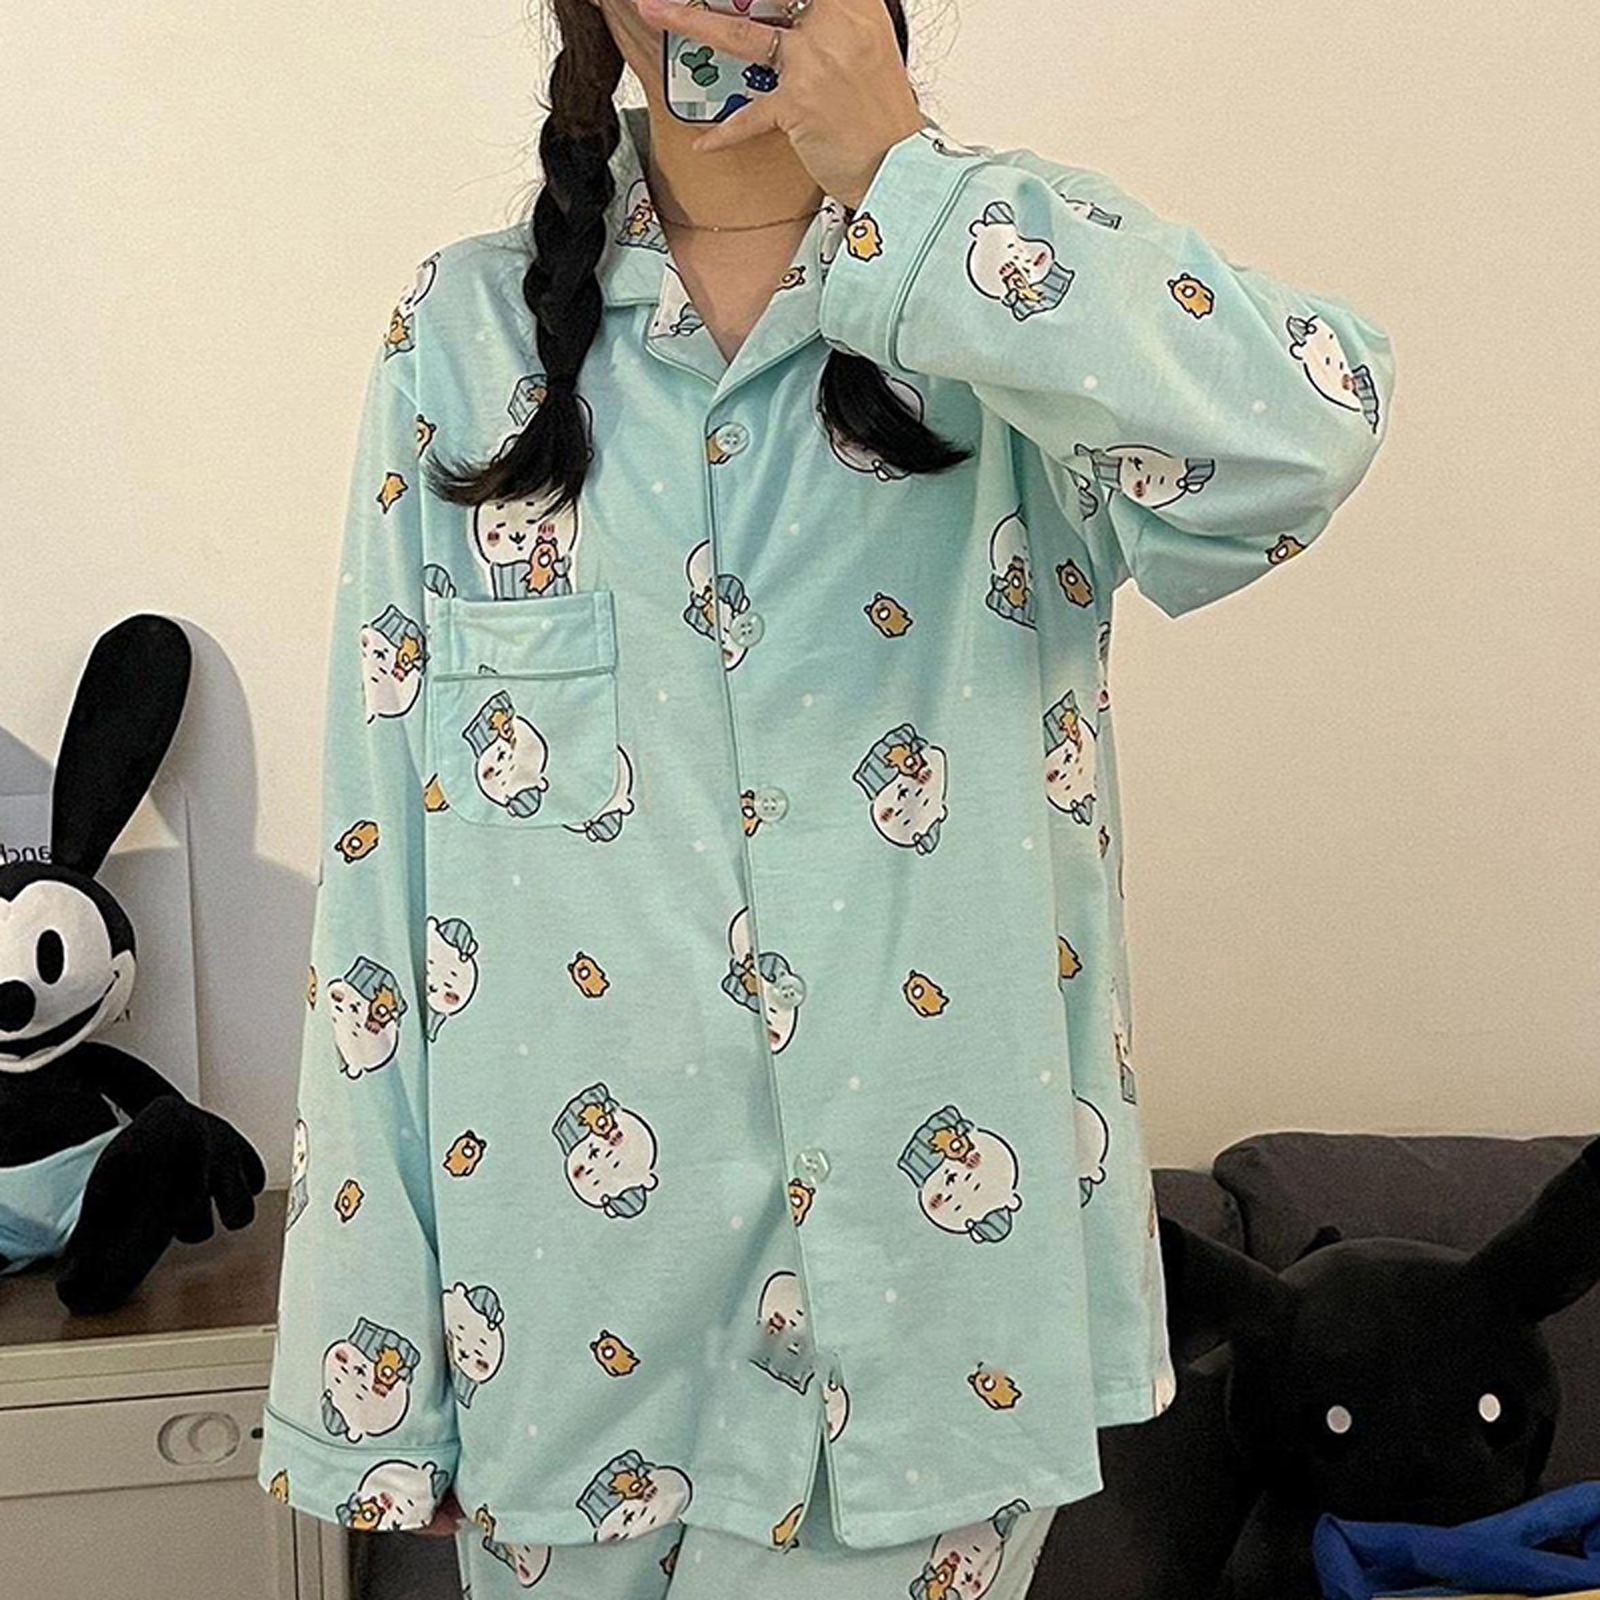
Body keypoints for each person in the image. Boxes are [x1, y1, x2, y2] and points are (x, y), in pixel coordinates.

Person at [256, 0, 1397, 1594]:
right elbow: (382, 866)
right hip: (567, 1354)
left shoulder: (1011, 286)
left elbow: (1310, 434)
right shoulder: (461, 339)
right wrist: (372, 1374)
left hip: (929, 1360)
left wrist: (905, 184)